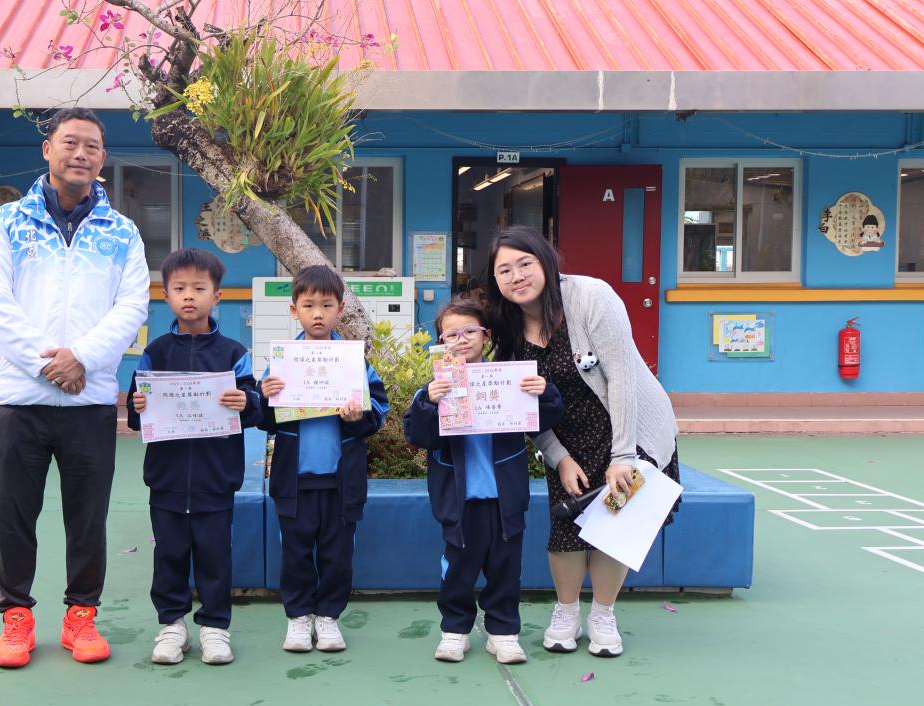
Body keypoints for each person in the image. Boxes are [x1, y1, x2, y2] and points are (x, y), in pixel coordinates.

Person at [0, 107, 150, 668]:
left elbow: (132, 306)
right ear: (47, 149)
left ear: (103, 159)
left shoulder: (122, 232)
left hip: (88, 400)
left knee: (88, 517)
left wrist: (84, 360)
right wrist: (50, 364)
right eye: (70, 143)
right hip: (17, 399)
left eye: (92, 146)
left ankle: (81, 617)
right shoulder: (6, 223)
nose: (81, 154)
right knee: (12, 516)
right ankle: (16, 618)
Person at [484, 225, 679, 659]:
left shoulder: (591, 297)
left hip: (626, 428)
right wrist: (558, 457)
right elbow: (520, 403)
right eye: (504, 270)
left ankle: (603, 614)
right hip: (565, 438)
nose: (516, 276)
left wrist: (623, 456)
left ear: (546, 261)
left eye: (525, 263)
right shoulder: (504, 322)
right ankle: (566, 611)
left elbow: (623, 378)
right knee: (566, 530)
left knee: (615, 525)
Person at [404, 297, 563, 664]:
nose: (461, 340)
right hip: (458, 502)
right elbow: (418, 435)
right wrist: (429, 403)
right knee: (457, 569)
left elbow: (547, 417)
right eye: (451, 334)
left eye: (470, 331)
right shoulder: (433, 389)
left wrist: (544, 391)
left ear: (486, 336)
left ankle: (503, 633)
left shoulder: (510, 380)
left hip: (505, 499)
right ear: (441, 342)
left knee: (506, 568)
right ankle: (454, 631)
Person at [125, 249, 262, 665]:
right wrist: (138, 405)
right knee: (168, 554)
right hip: (165, 479)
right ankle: (172, 626)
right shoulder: (156, 352)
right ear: (165, 296)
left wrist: (245, 401)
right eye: (179, 288)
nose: (189, 296)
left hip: (215, 478)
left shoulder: (233, 353)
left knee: (214, 555)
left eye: (199, 288)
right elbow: (135, 413)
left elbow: (255, 406)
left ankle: (215, 628)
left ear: (216, 296)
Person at [258, 265, 389, 653]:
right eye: (309, 305)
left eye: (327, 305)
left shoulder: (354, 363)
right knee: (295, 553)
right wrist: (265, 396)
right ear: (293, 309)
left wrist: (357, 417)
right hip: (294, 481)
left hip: (340, 482)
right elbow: (263, 419)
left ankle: (329, 617)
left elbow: (378, 412)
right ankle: (299, 618)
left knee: (337, 554)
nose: (318, 314)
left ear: (340, 309)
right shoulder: (282, 363)